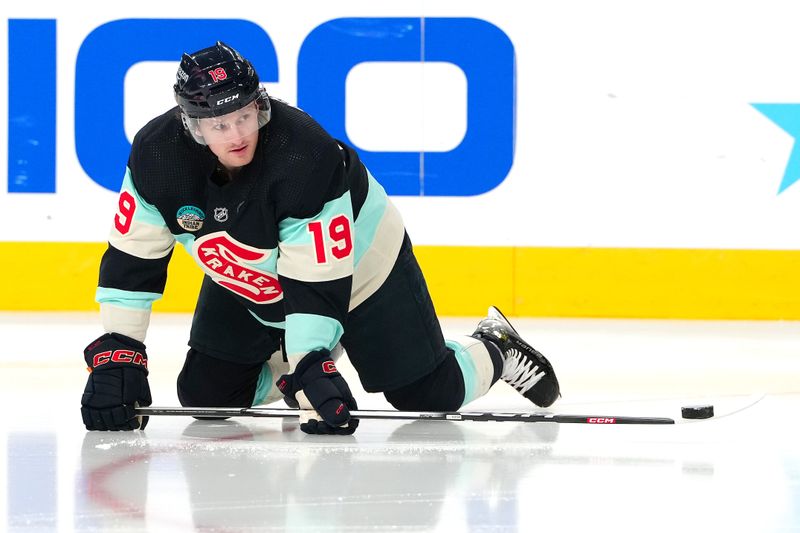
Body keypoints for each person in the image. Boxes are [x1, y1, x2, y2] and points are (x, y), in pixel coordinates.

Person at [80, 42, 560, 435]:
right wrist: (119, 349)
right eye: (220, 124)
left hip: (363, 271)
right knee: (207, 398)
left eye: (245, 115)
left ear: (259, 105)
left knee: (427, 395)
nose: (237, 133)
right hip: (246, 277)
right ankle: (301, 364)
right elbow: (133, 258)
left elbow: (318, 277)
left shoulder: (302, 154)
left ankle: (496, 348)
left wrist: (311, 360)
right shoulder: (158, 156)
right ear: (193, 125)